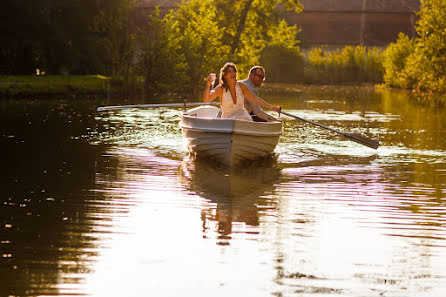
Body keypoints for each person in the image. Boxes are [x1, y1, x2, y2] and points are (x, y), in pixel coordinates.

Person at [203, 62, 281, 122]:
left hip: (242, 117)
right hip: (227, 118)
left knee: (244, 119)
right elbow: (206, 100)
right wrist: (208, 85)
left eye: (234, 71)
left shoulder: (241, 86)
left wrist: (271, 107)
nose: (233, 73)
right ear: (225, 75)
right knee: (230, 123)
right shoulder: (220, 88)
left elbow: (255, 99)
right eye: (230, 71)